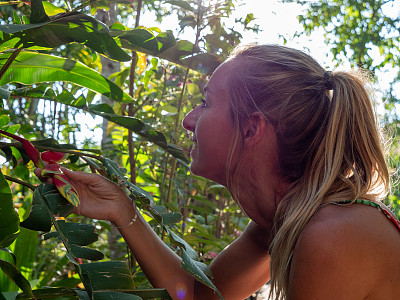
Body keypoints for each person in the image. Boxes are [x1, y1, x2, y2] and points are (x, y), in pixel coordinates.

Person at [39, 44, 400, 299]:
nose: (188, 120)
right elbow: (199, 295)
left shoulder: (332, 235)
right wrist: (122, 210)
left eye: (206, 102)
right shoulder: (283, 220)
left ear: (251, 129)